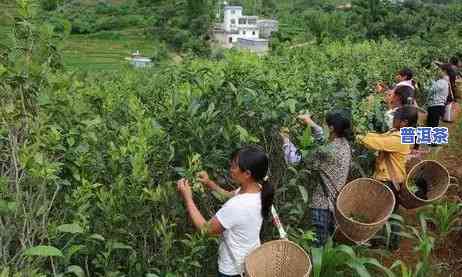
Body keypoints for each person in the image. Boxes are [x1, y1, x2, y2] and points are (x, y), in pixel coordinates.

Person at [177, 146, 273, 277]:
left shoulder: (238, 205)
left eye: (234, 167)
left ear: (247, 174)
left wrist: (188, 198)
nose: (231, 170)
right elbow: (228, 195)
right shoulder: (259, 189)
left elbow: (206, 229)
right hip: (250, 262)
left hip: (233, 269)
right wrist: (209, 183)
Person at [282, 111, 352, 247]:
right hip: (335, 202)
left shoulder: (325, 152)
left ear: (331, 128)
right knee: (327, 243)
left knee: (318, 245)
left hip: (323, 204)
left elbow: (294, 160)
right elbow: (324, 138)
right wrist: (309, 122)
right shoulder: (343, 144)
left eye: (325, 125)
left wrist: (285, 139)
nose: (323, 127)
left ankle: (315, 267)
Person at [357, 106, 418, 250]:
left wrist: (357, 135)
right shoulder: (397, 133)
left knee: (381, 211)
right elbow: (381, 137)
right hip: (392, 179)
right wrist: (365, 133)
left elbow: (377, 143)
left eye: (395, 118)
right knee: (391, 212)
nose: (392, 120)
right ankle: (391, 243)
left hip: (389, 181)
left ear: (404, 122)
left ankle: (381, 243)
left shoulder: (400, 138)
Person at [426, 64, 454, 129]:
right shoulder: (445, 81)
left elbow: (431, 90)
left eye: (439, 70)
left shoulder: (442, 81)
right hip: (438, 106)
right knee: (433, 126)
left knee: (432, 127)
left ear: (444, 71)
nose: (438, 72)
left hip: (435, 106)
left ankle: (431, 138)